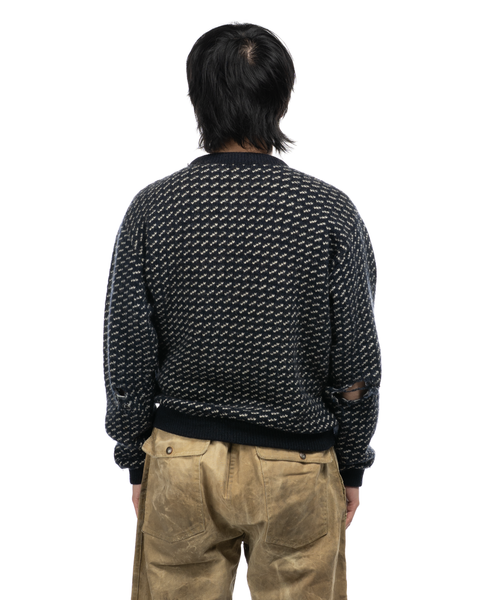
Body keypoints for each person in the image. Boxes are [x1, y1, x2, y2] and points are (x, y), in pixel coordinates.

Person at [103, 22, 381, 600]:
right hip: (298, 466)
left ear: (197, 99)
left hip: (181, 461)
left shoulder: (153, 209)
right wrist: (352, 463)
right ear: (281, 99)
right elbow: (356, 362)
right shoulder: (330, 212)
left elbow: (127, 353)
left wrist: (135, 459)